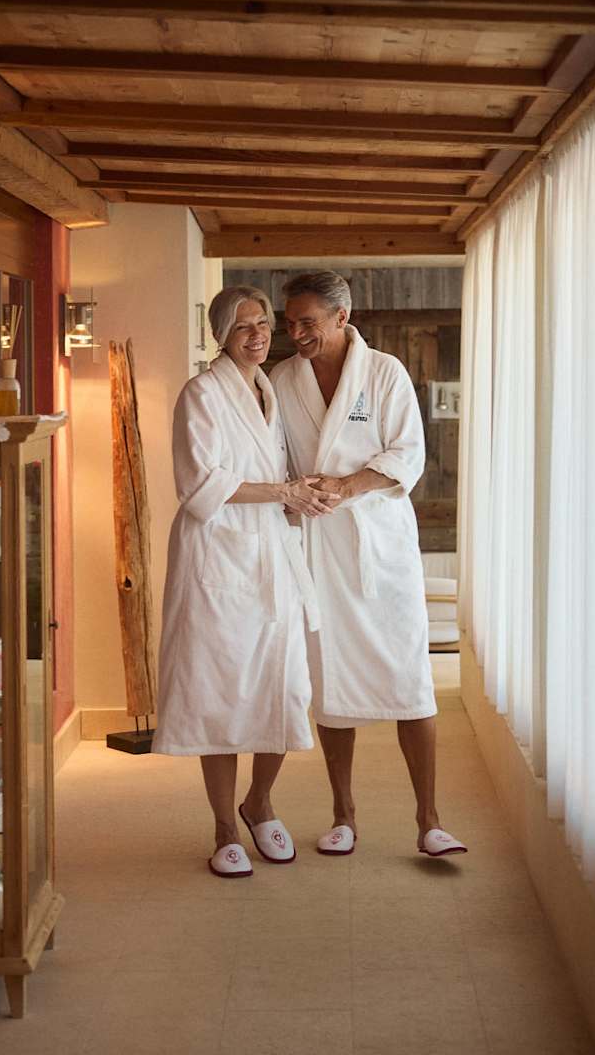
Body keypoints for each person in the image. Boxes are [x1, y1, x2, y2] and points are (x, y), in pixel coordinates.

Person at [268, 270, 467, 859]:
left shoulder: (384, 373)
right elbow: (273, 455)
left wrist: (346, 485)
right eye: (289, 323)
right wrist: (294, 492)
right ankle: (343, 816)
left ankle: (429, 821)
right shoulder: (283, 379)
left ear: (342, 317)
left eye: (308, 322)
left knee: (411, 681)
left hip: (378, 545)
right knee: (332, 683)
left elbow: (408, 454)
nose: (297, 334)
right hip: (318, 547)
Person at [152, 285, 338, 878]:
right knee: (221, 694)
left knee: (284, 687)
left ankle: (259, 802)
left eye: (262, 324)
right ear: (220, 336)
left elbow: (277, 470)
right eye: (242, 327)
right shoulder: (201, 394)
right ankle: (224, 829)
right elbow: (199, 485)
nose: (257, 335)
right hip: (219, 555)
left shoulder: (269, 390)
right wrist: (283, 492)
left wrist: (300, 497)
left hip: (271, 552)